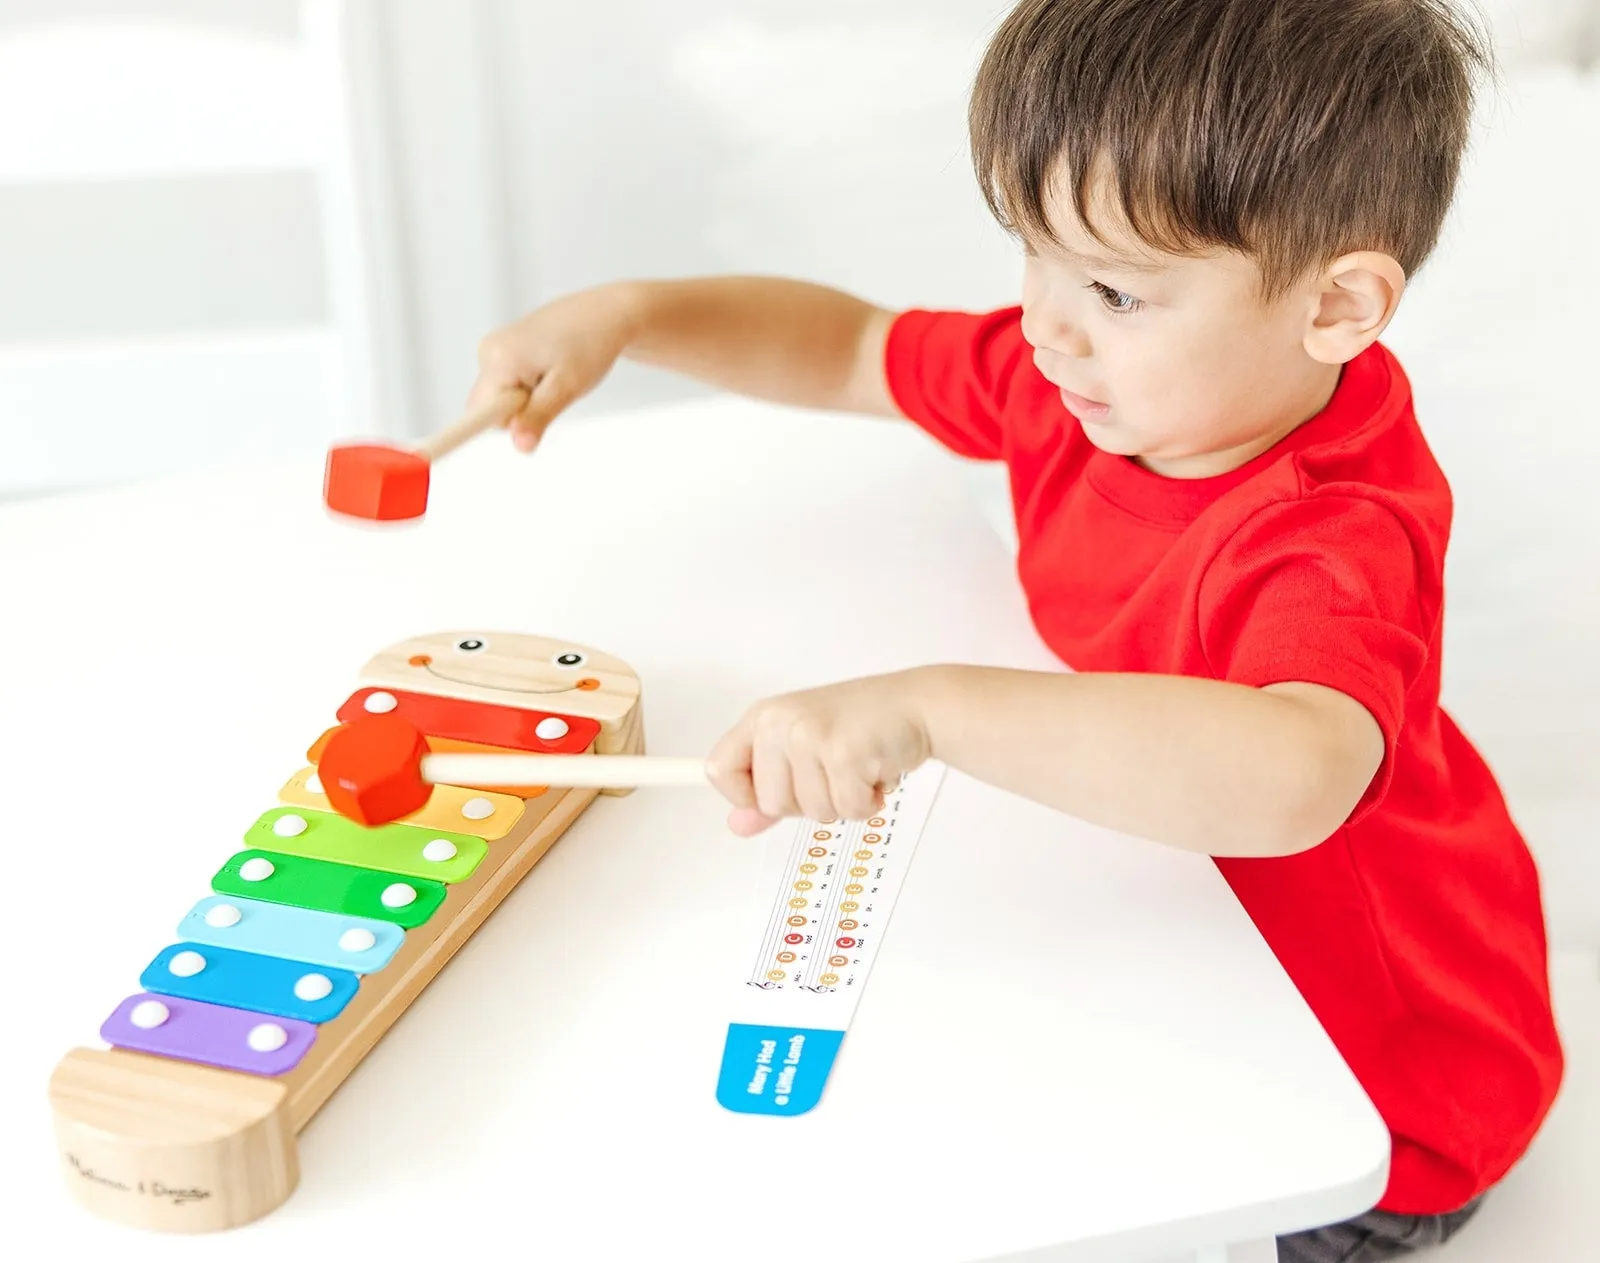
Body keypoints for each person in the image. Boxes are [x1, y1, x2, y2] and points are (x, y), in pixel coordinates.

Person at [465, 1, 1563, 1256]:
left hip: (1379, 1092)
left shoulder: (1330, 532)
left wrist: (935, 706)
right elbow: (853, 349)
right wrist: (634, 314)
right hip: (1170, 942)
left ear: (1336, 309)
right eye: (1030, 254)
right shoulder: (1093, 383)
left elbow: (1294, 777)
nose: (1044, 322)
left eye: (1111, 288)